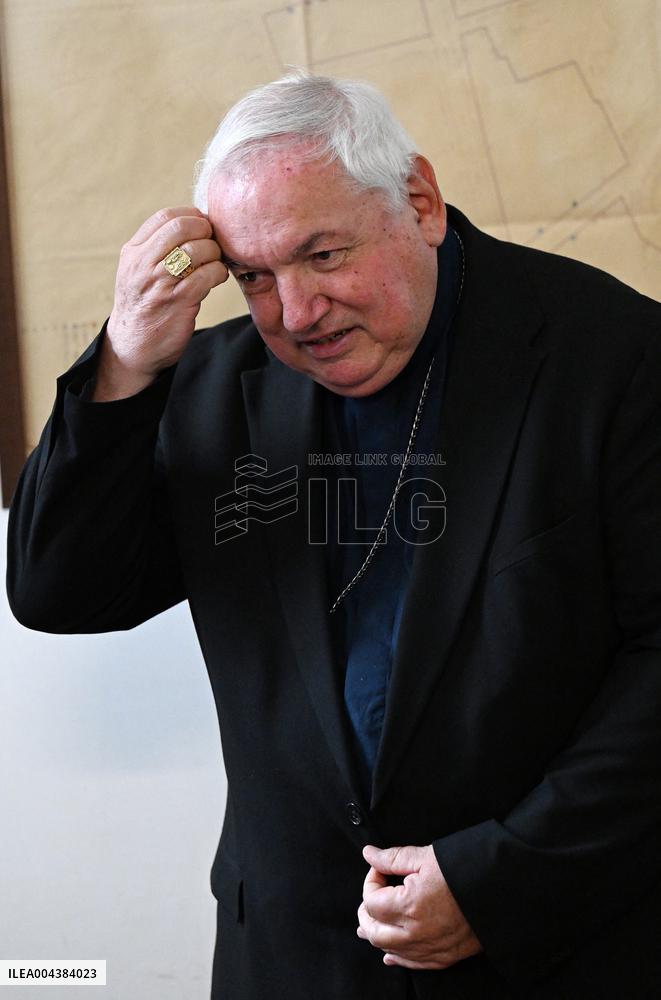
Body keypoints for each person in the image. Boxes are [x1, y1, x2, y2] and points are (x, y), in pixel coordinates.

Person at [7, 72, 661, 1000]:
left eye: (322, 255)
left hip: (552, 941)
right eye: (255, 277)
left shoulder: (614, 354)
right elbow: (57, 592)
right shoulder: (210, 386)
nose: (296, 313)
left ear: (420, 204)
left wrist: (503, 876)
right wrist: (121, 363)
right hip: (291, 952)